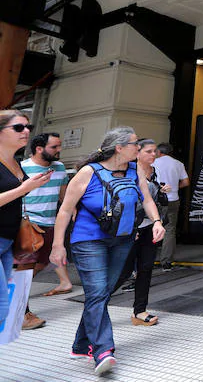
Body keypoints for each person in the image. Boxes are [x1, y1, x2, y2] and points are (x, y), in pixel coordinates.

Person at [49, 127, 164, 375]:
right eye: (136, 143)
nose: (139, 147)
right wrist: (57, 245)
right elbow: (66, 210)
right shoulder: (87, 173)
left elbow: (146, 199)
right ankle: (103, 350)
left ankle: (81, 345)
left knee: (101, 293)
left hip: (122, 240)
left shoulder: (134, 170)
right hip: (88, 241)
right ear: (119, 148)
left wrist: (156, 222)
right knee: (99, 292)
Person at [0, 111, 53, 334]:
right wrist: (24, 189)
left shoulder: (14, 162)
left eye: (27, 126)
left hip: (7, 240)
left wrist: (31, 185)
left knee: (5, 308)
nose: (26, 132)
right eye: (18, 128)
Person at [18, 132, 73, 331]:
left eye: (59, 146)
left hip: (50, 225)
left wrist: (74, 211)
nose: (59, 151)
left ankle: (12, 295)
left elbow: (64, 197)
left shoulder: (59, 168)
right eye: (54, 147)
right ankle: (22, 314)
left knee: (42, 263)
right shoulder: (22, 168)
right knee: (23, 271)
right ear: (39, 148)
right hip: (27, 225)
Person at [114, 139, 170, 326]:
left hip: (149, 227)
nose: (153, 154)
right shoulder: (128, 172)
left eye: (154, 151)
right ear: (137, 153)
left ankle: (139, 310)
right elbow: (124, 202)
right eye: (149, 151)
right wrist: (131, 227)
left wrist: (161, 192)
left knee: (146, 268)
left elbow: (151, 199)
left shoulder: (154, 172)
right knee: (123, 271)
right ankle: (97, 304)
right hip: (131, 229)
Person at [152, 142, 189, 271]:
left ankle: (147, 258)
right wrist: (173, 188)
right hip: (172, 199)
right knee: (169, 229)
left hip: (155, 200)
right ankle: (166, 262)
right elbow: (185, 182)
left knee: (150, 227)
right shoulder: (178, 164)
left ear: (159, 152)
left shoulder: (153, 163)